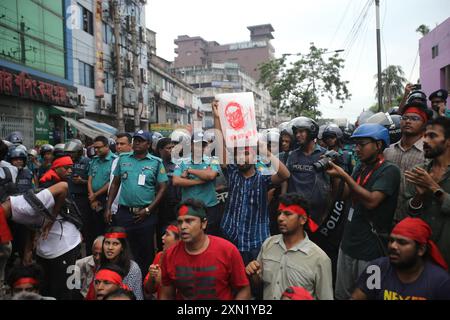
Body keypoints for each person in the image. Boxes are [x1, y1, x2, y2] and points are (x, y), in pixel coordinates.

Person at [325, 123, 401, 300]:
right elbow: (343, 195)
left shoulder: (390, 170)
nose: (357, 149)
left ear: (379, 145)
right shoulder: (360, 167)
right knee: (342, 295)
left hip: (370, 249)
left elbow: (372, 201)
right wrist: (336, 176)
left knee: (368, 295)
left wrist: (344, 176)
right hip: (348, 244)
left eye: (362, 144)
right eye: (355, 145)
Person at [212, 100, 290, 264]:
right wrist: (217, 117)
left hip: (256, 242)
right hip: (230, 237)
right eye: (238, 154)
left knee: (255, 284)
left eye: (246, 154)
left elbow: (285, 174)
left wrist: (264, 150)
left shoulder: (263, 177)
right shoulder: (232, 172)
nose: (241, 158)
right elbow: (220, 146)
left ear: (255, 156)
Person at [245, 193, 333, 300]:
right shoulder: (269, 244)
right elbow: (259, 286)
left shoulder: (319, 259)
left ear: (303, 220)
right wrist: (254, 274)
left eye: (287, 214)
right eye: (279, 213)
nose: (280, 218)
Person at [160, 199, 251, 300]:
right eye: (180, 222)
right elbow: (166, 294)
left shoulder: (227, 250)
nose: (183, 226)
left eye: (189, 221)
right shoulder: (170, 255)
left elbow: (243, 289)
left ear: (203, 224)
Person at [106, 130, 168, 275]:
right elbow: (115, 184)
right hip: (124, 213)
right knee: (123, 249)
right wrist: (108, 207)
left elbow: (163, 188)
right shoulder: (123, 159)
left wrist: (148, 210)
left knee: (145, 252)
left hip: (145, 215)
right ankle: (125, 283)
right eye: (135, 140)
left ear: (148, 144)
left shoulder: (156, 162)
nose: (137, 142)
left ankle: (145, 287)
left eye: (141, 140)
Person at [352, 217, 450, 300]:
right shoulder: (377, 269)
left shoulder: (440, 282)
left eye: (402, 242)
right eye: (391, 240)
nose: (393, 246)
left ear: (421, 249)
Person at [404, 117, 450, 269]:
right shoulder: (419, 171)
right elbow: (409, 212)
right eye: (424, 135)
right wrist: (419, 196)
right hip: (421, 258)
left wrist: (433, 187)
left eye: (432, 136)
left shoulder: (426, 178)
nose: (424, 140)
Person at [384, 101, 431, 222]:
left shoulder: (429, 154)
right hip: (387, 217)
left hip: (417, 218)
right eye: (405, 118)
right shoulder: (388, 151)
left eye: (415, 118)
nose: (408, 121)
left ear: (424, 124)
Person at [173, 131, 221, 236]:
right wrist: (200, 180)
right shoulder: (181, 161)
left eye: (202, 145)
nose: (200, 148)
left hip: (209, 207)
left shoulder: (213, 160)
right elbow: (176, 181)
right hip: (189, 208)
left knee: (210, 238)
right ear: (190, 145)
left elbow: (211, 176)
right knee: (189, 237)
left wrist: (190, 171)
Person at [284, 116, 330, 226]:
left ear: (311, 132)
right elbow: (286, 180)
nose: (298, 135)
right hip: (294, 212)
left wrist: (327, 212)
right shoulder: (292, 155)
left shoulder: (324, 155)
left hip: (317, 214)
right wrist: (283, 203)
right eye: (296, 132)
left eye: (301, 131)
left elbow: (332, 185)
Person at [97, 227, 143, 300]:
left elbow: (137, 296)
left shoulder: (133, 268)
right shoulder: (100, 265)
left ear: (122, 247)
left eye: (115, 244)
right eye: (107, 243)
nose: (110, 247)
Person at [64, 139, 91, 254]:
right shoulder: (65, 162)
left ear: (79, 152)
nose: (70, 155)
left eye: (73, 152)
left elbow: (91, 181)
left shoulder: (87, 162)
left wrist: (82, 181)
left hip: (82, 199)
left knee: (84, 224)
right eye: (68, 152)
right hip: (69, 198)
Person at [88, 136, 117, 240]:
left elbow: (112, 182)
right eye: (94, 147)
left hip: (107, 199)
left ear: (107, 146)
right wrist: (92, 196)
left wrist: (95, 195)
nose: (96, 150)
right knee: (94, 230)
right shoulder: (94, 160)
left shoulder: (114, 161)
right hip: (93, 199)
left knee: (107, 230)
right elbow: (90, 178)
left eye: (99, 147)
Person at [143, 222, 180, 299]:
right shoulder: (160, 256)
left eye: (167, 234)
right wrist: (152, 278)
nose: (163, 237)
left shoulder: (188, 261)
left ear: (179, 240)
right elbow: (149, 289)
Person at [155, 138, 181, 247]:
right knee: (162, 235)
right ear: (160, 150)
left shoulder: (179, 164)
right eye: (168, 148)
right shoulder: (155, 164)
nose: (171, 150)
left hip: (177, 203)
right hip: (160, 205)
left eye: (173, 147)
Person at [108, 133, 133, 219]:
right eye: (117, 144)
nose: (118, 146)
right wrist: (109, 207)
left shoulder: (136, 161)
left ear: (130, 145)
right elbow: (113, 184)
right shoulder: (115, 161)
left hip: (128, 208)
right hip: (114, 207)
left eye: (122, 144)